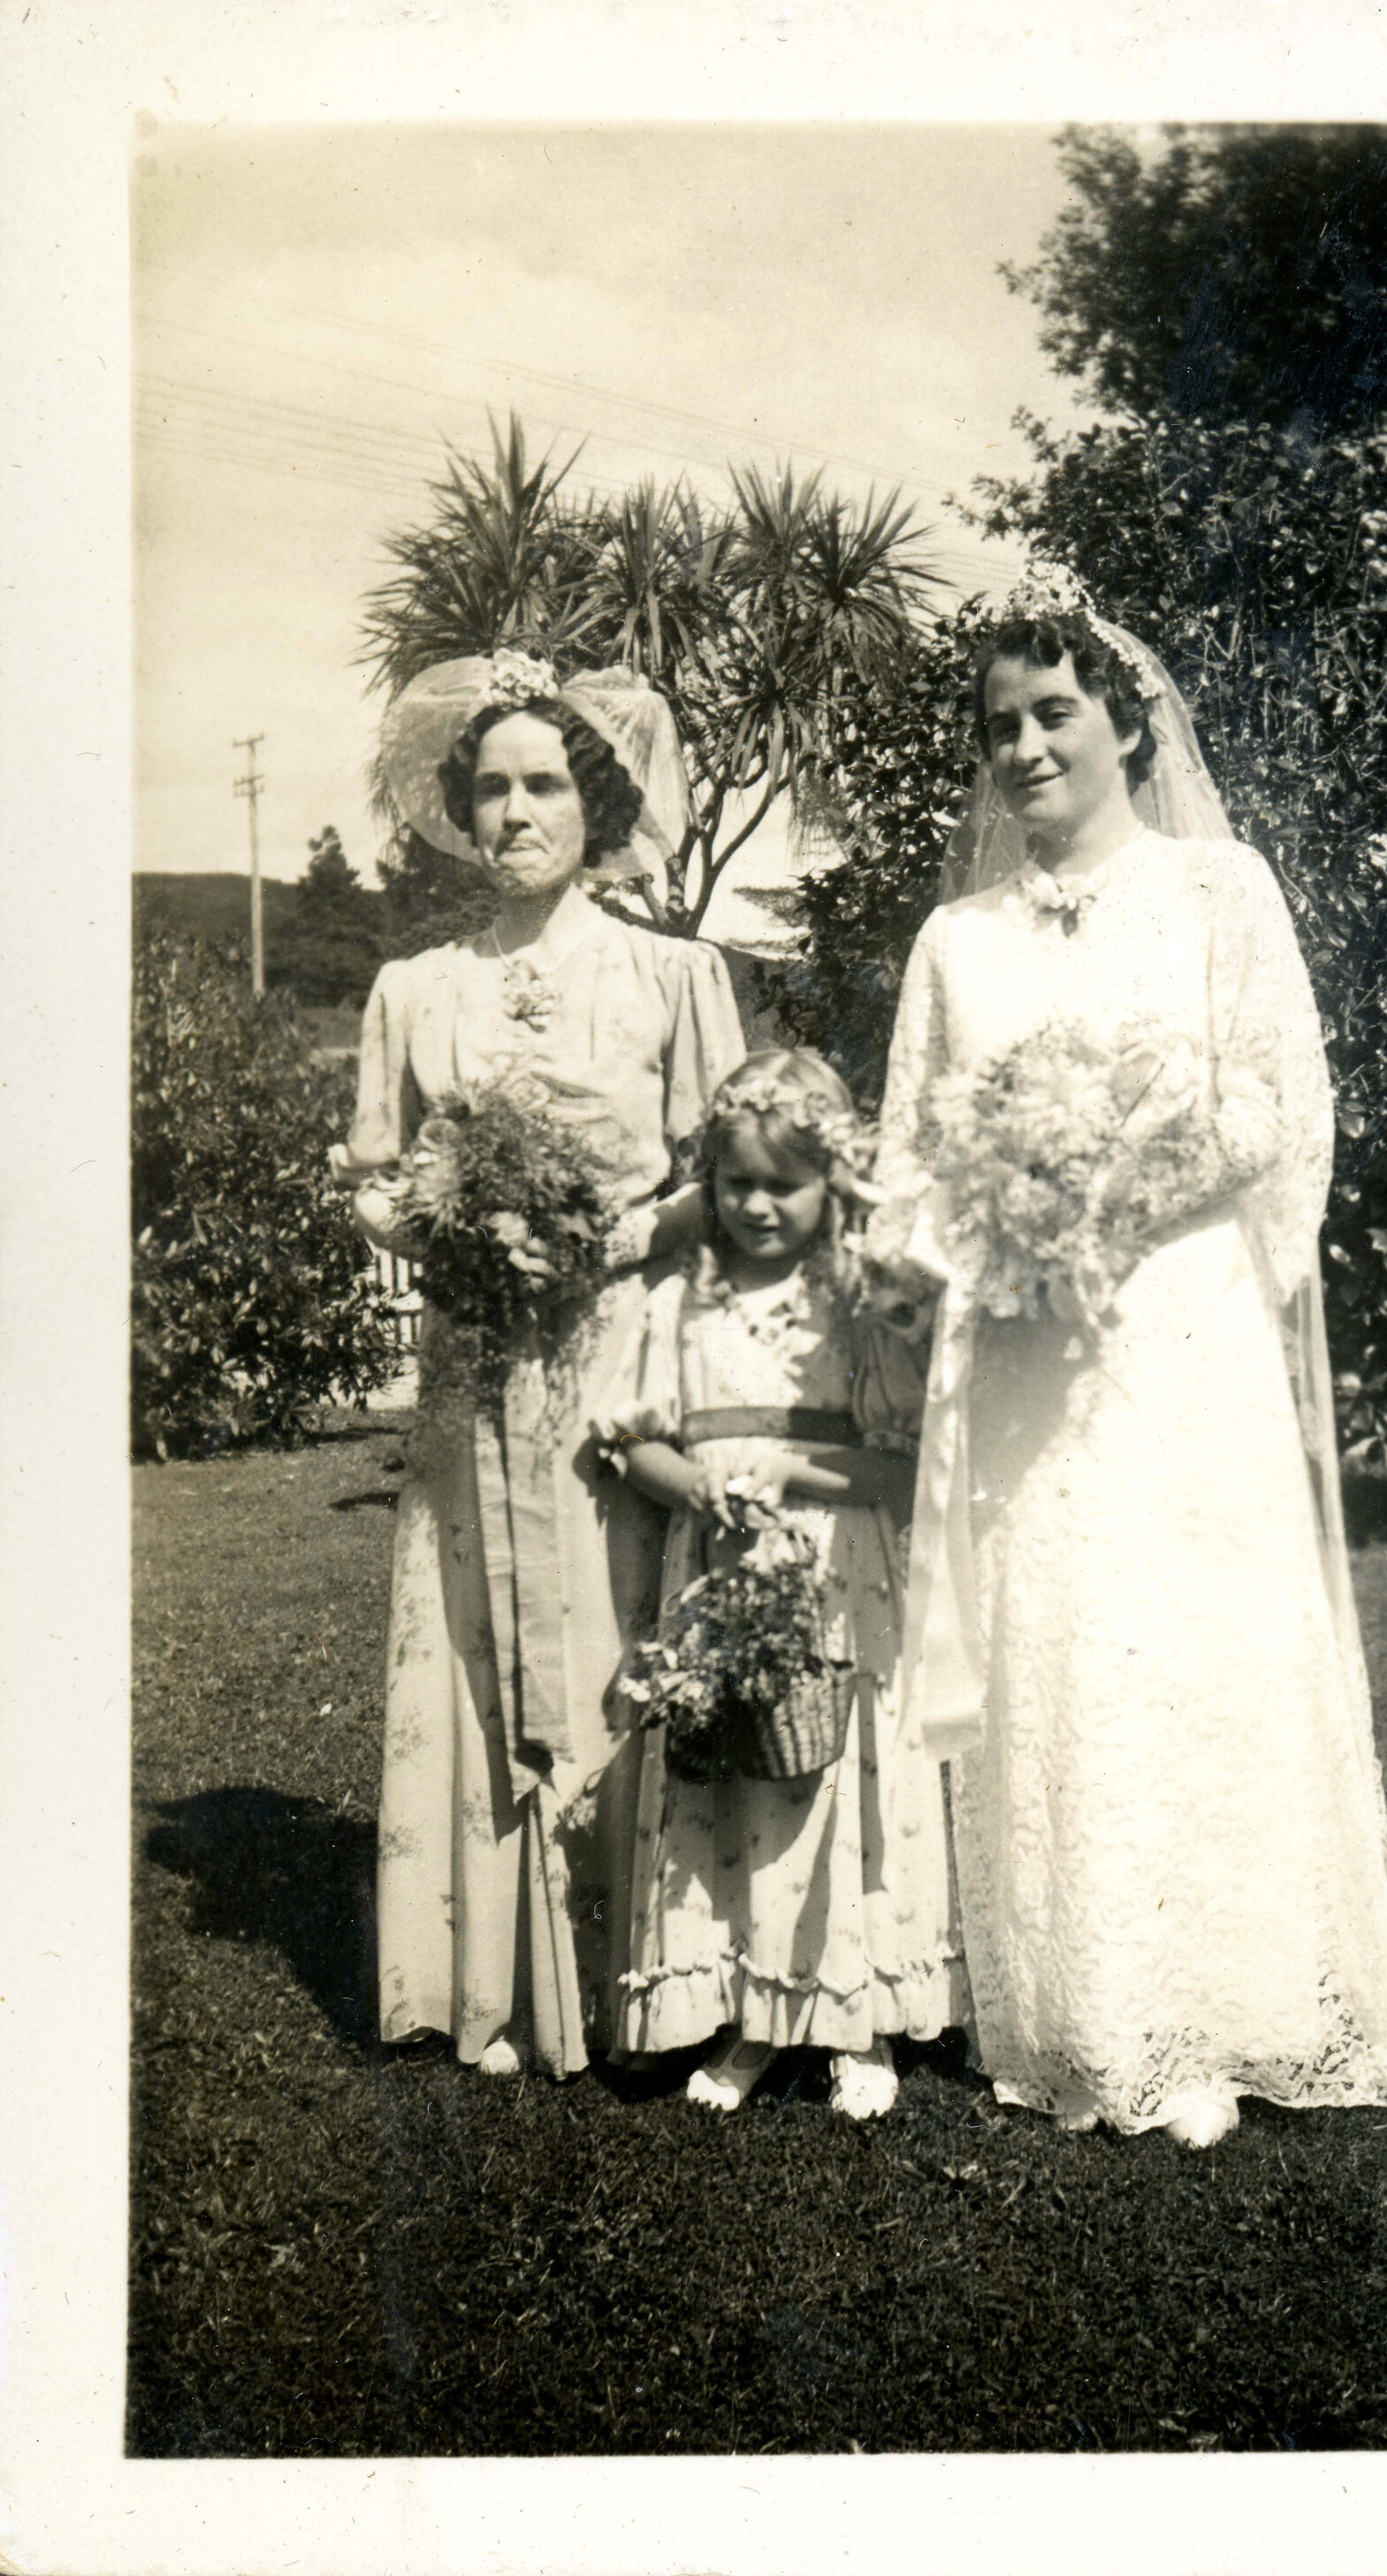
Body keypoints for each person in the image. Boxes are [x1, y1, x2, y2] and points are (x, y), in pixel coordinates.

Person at [871, 570, 1387, 2147]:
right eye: (999, 728)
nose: (1026, 748)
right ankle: (1083, 2004)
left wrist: (1104, 1185)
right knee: (1060, 1636)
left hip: (1179, 1335)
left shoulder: (1218, 891)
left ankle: (1238, 1994)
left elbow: (1274, 1107)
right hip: (1029, 1356)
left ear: (1127, 719)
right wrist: (989, 1229)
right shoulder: (953, 942)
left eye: (1055, 713)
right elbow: (907, 1154)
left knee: (1190, 1639)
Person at [333, 648, 746, 2078]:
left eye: (545, 784)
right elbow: (376, 1177)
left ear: (597, 803)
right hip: (469, 1368)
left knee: (617, 1629)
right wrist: (445, 1232)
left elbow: (730, 1178)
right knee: (471, 1627)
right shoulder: (412, 991)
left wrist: (600, 1235)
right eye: (492, 788)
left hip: (614, 1367)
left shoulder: (674, 977)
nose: (516, 813)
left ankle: (645, 1977)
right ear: (462, 809)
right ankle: (483, 1982)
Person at [603, 1052, 964, 2117]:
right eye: (734, 1183)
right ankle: (751, 2014)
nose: (756, 1205)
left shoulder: (860, 1306)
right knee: (735, 1788)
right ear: (706, 1181)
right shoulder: (679, 1298)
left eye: (784, 1184)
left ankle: (858, 2019)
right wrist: (696, 1487)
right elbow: (634, 1443)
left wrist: (794, 1469)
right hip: (714, 1572)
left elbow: (902, 1471)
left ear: (831, 1182)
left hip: (838, 1571)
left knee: (835, 1786)